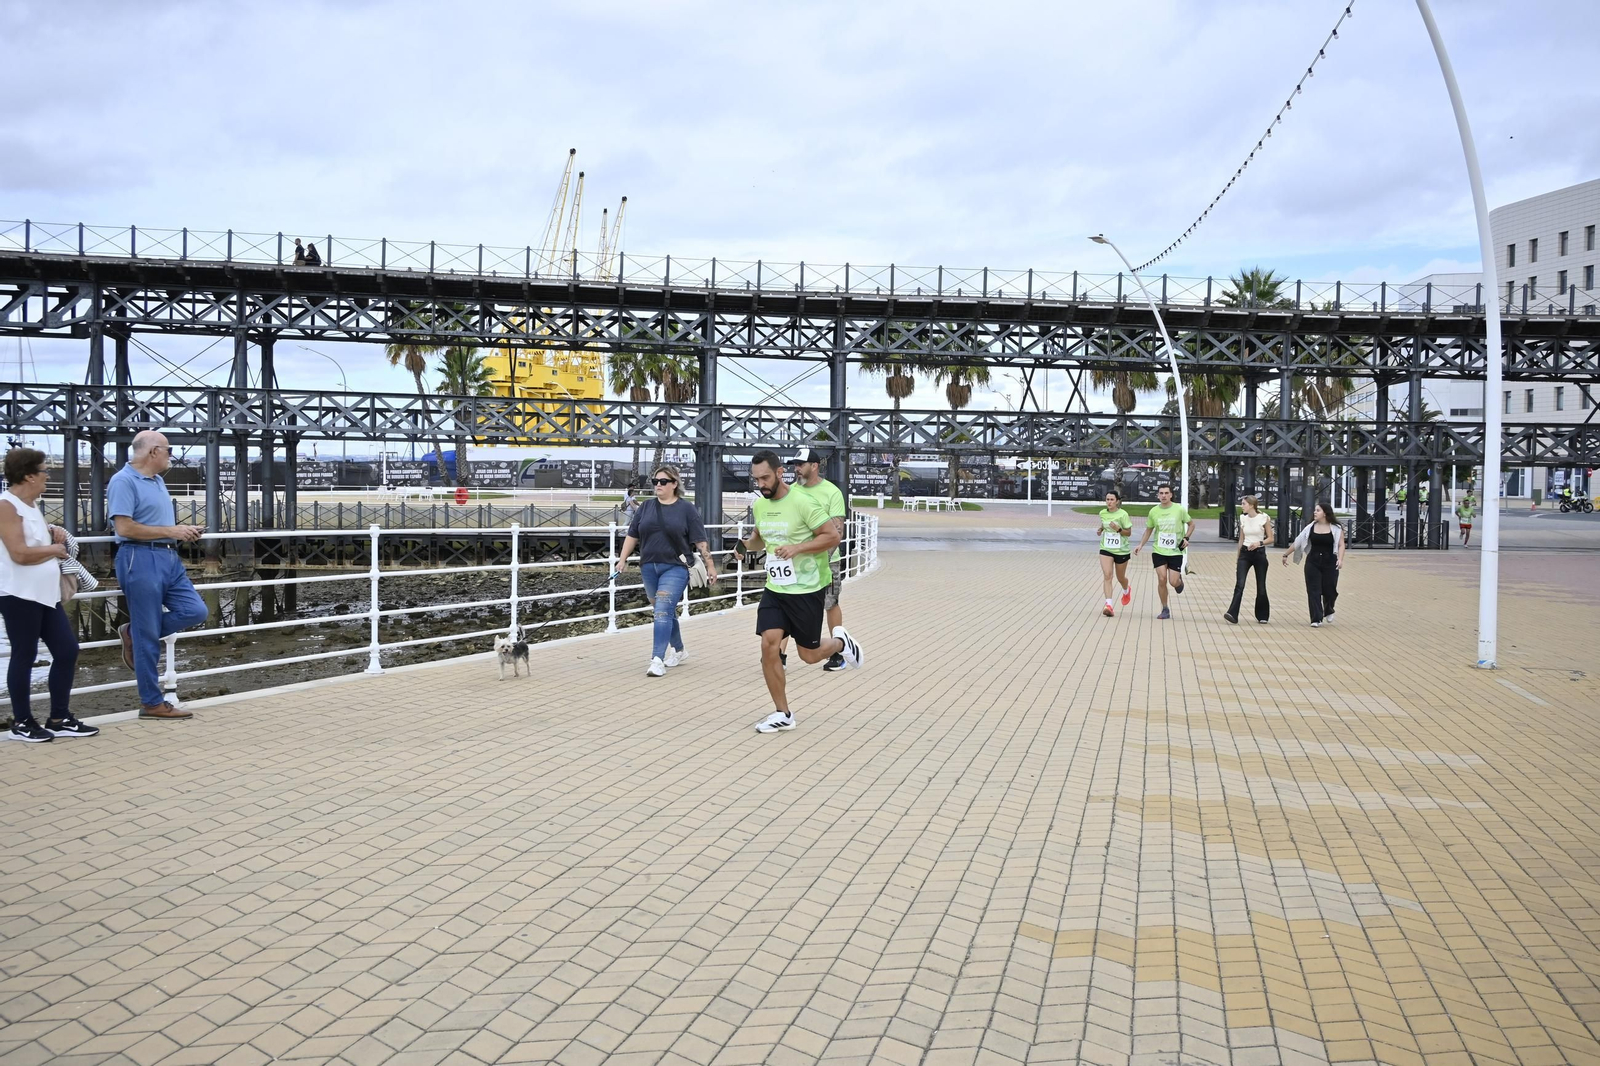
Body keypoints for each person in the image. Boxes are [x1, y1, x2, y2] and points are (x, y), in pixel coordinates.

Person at [737, 449, 862, 733]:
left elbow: (832, 535)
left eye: (766, 478)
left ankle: (842, 644)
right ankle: (783, 713)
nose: (761, 485)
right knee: (769, 646)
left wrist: (797, 548)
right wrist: (745, 546)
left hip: (807, 589)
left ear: (780, 473)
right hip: (776, 589)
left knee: (808, 655)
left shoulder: (804, 502)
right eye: (756, 480)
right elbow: (760, 539)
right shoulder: (760, 506)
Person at [108, 430, 209, 720]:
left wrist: (181, 533)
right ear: (153, 451)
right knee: (148, 634)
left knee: (195, 610)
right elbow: (124, 528)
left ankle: (134, 632)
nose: (171, 455)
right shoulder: (124, 481)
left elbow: (155, 523)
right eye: (168, 450)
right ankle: (152, 703)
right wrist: (172, 530)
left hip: (167, 556)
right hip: (139, 557)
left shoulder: (157, 480)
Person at [0, 449, 96, 742]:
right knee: (24, 654)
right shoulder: (7, 505)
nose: (47, 476)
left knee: (67, 650)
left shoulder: (31, 505)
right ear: (28, 475)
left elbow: (32, 541)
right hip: (18, 593)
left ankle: (58, 717)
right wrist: (55, 550)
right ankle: (22, 722)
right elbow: (18, 554)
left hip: (45, 594)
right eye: (44, 471)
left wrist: (53, 532)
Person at [614, 464, 718, 677]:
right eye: (655, 482)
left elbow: (700, 540)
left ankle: (657, 659)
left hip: (675, 567)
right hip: (649, 566)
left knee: (662, 610)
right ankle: (679, 650)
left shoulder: (686, 509)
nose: (658, 486)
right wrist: (622, 559)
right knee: (664, 611)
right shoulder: (646, 508)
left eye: (663, 482)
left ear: (674, 484)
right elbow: (633, 535)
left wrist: (710, 565)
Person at [786, 447, 850, 669]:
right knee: (787, 604)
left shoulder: (831, 492)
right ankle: (778, 656)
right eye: (795, 465)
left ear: (814, 466)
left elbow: (836, 532)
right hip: (794, 560)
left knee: (830, 603)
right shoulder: (789, 491)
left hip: (826, 560)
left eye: (801, 465)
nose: (796, 470)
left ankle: (839, 651)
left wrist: (817, 558)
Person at [1132, 484, 1193, 620]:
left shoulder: (1179, 510)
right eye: (1161, 493)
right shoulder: (1154, 511)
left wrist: (1186, 537)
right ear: (1158, 495)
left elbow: (1191, 524)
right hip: (1159, 550)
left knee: (1172, 581)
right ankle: (1165, 608)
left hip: (1176, 550)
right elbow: (1149, 530)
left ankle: (1178, 582)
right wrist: (1140, 545)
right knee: (1161, 578)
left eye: (1166, 493)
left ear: (1171, 494)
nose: (1164, 496)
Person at [1282, 500, 1345, 627]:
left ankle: (1329, 609)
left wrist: (1340, 559)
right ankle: (1316, 618)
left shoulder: (1336, 529)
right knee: (1313, 590)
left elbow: (1341, 544)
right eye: (1315, 510)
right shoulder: (1310, 527)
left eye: (1318, 510)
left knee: (1330, 589)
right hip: (1313, 561)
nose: (1315, 512)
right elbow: (1298, 541)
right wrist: (1286, 554)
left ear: (1325, 513)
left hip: (1330, 561)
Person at [1224, 495, 1272, 624]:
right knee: (1240, 584)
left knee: (1261, 586)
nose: (1241, 506)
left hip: (1259, 554)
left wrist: (1259, 543)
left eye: (1244, 503)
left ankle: (1262, 615)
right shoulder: (1243, 518)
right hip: (1245, 554)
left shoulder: (1263, 518)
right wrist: (1238, 557)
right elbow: (1241, 539)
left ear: (1251, 505)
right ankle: (1232, 613)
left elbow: (1271, 538)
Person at [1096, 489, 1133, 617]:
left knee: (1120, 577)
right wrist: (1101, 529)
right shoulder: (1102, 513)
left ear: (1117, 501)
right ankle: (1109, 605)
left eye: (1112, 500)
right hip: (1106, 548)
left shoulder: (1123, 514)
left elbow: (1128, 533)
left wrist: (1119, 529)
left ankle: (1126, 589)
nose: (1109, 502)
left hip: (1121, 550)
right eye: (1107, 499)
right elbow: (1104, 523)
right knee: (1107, 575)